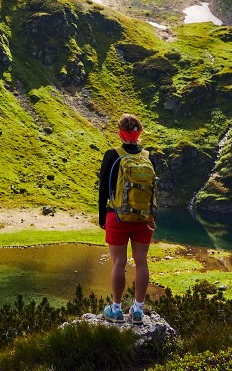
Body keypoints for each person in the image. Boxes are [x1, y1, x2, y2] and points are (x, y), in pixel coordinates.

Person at [98, 113, 155, 324]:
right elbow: (152, 191)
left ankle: (116, 309)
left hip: (117, 217)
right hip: (143, 219)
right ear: (139, 133)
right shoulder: (148, 157)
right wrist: (152, 216)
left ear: (120, 132)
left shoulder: (112, 155)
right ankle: (138, 310)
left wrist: (102, 217)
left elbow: (103, 189)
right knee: (142, 262)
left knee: (118, 262)